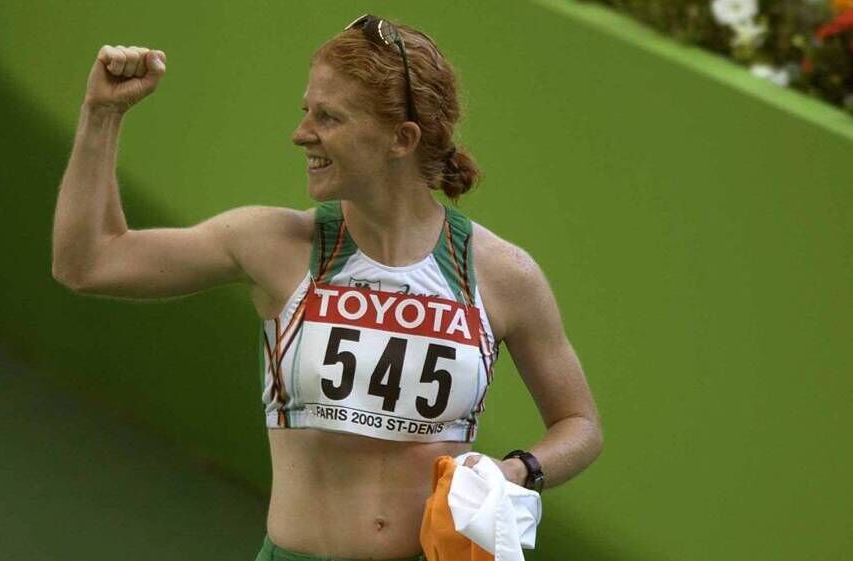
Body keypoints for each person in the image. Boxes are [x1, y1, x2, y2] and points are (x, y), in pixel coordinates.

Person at [52, 14, 603, 561]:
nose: (301, 134)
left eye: (328, 117)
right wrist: (102, 114)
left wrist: (517, 470)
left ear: (402, 138)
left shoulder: (502, 274)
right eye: (306, 112)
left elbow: (579, 424)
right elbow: (90, 262)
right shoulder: (274, 244)